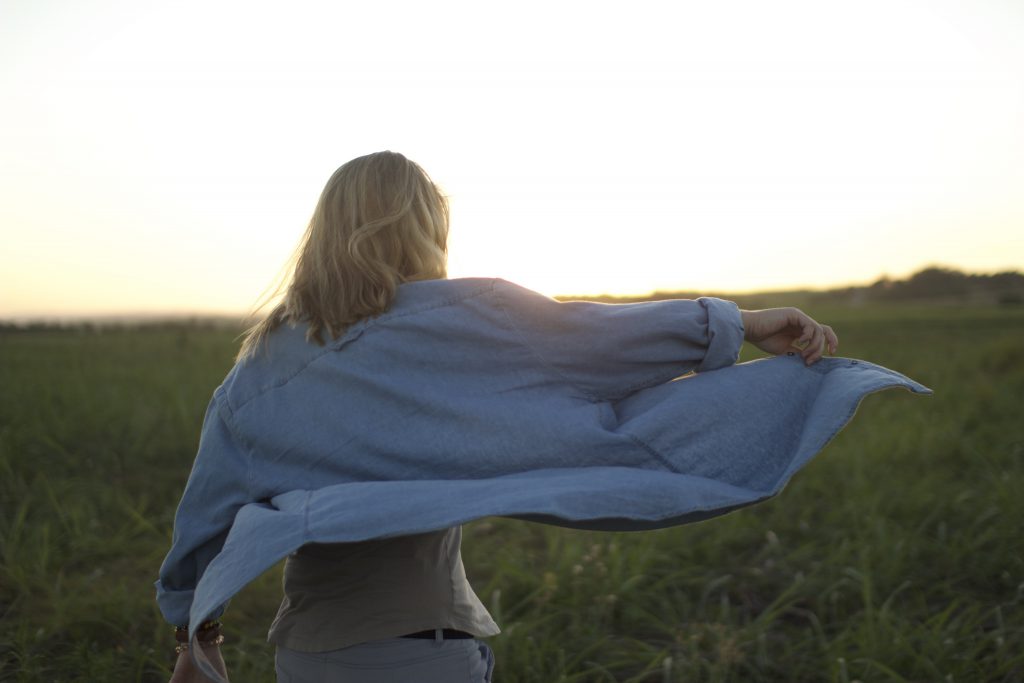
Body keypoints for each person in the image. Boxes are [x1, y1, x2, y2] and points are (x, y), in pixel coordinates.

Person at [157, 151, 927, 683]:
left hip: (306, 655)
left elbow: (201, 527)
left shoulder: (255, 374)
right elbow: (595, 337)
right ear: (424, 230)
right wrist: (742, 323)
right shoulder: (465, 318)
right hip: (422, 654)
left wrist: (197, 640)